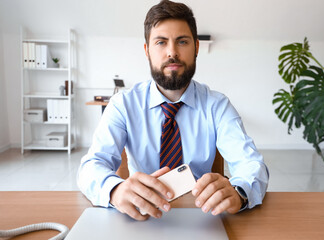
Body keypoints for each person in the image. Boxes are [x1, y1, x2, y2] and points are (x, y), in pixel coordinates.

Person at [78, 0, 269, 221]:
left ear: (196, 47)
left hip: (203, 215)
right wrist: (114, 190)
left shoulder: (217, 106)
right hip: (141, 215)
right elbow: (91, 166)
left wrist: (239, 192)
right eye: (160, 42)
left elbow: (252, 164)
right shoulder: (123, 105)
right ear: (147, 50)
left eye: (182, 41)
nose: (172, 53)